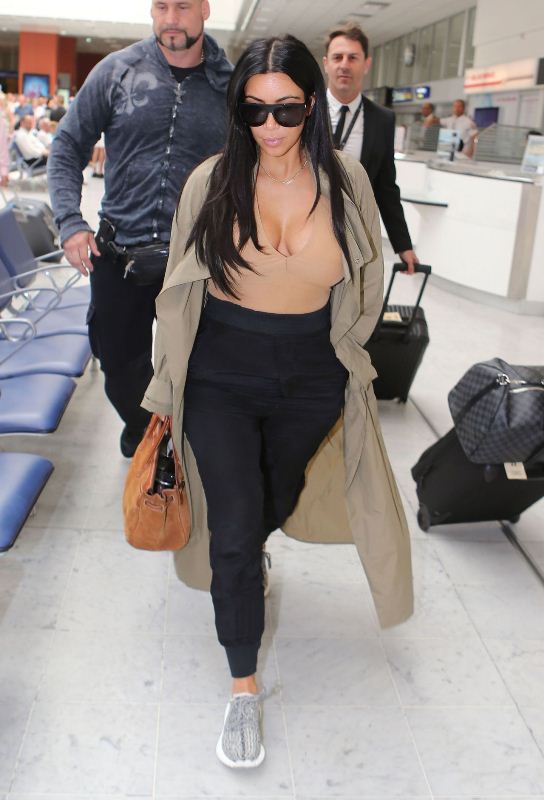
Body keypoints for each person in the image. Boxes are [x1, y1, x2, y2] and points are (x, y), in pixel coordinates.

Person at [142, 33, 413, 770]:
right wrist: (167, 385)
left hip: (311, 374)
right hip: (221, 372)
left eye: (286, 110)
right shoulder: (211, 182)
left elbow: (365, 276)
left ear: (312, 105)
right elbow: (177, 289)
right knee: (233, 527)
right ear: (238, 111)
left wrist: (345, 351)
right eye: (254, 111)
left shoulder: (347, 181)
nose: (269, 127)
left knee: (274, 495)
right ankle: (242, 686)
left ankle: (250, 552)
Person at [48, 0, 232, 457]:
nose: (170, 18)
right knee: (118, 364)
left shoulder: (230, 85)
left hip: (193, 263)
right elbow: (68, 144)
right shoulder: (116, 72)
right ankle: (149, 437)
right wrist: (70, 221)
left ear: (205, 9)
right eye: (161, 5)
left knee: (196, 370)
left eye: (182, 6)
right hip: (119, 255)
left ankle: (173, 452)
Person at [323, 23, 419, 273]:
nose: (344, 64)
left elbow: (386, 187)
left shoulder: (382, 119)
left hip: (355, 236)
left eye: (353, 57)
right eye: (337, 57)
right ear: (326, 63)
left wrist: (403, 244)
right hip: (305, 231)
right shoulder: (306, 111)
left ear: (366, 64)